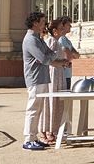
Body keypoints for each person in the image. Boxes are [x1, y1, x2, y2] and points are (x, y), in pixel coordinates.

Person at [22, 11, 67, 151]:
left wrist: (52, 57)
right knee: (33, 109)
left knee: (38, 109)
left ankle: (33, 137)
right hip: (35, 78)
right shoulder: (31, 39)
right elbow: (44, 58)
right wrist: (52, 56)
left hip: (42, 77)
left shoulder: (38, 38)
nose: (45, 24)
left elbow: (48, 55)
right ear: (35, 23)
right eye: (42, 21)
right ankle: (28, 139)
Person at [40, 16, 71, 143]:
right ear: (55, 31)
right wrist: (62, 62)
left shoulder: (57, 42)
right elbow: (49, 60)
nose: (63, 30)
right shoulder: (51, 41)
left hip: (59, 73)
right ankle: (46, 131)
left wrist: (64, 63)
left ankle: (53, 130)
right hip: (53, 73)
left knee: (58, 102)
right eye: (61, 28)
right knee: (51, 101)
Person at [58, 17, 81, 89]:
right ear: (62, 26)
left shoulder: (66, 40)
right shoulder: (61, 39)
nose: (70, 26)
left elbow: (77, 55)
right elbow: (69, 56)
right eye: (68, 24)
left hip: (68, 73)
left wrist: (71, 53)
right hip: (63, 73)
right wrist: (71, 53)